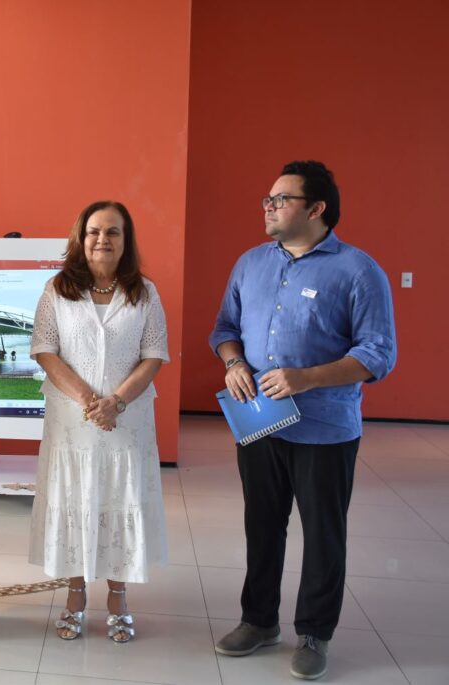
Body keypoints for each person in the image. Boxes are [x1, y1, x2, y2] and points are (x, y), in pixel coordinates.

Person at [210, 161, 396, 681]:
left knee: (323, 534)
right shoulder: (250, 263)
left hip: (325, 428)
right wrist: (233, 362)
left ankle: (315, 633)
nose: (268, 207)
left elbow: (378, 353)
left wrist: (306, 378)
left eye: (281, 199)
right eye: (267, 199)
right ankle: (258, 620)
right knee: (262, 526)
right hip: (258, 422)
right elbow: (224, 328)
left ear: (316, 208)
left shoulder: (358, 271)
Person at [29, 200, 169, 643]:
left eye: (112, 232)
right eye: (94, 231)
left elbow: (154, 356)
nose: (102, 239)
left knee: (118, 499)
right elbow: (45, 349)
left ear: (126, 241)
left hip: (127, 421)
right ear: (81, 237)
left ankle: (118, 598)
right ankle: (74, 596)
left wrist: (116, 402)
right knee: (75, 500)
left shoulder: (144, 292)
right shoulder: (57, 289)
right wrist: (90, 400)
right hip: (71, 423)